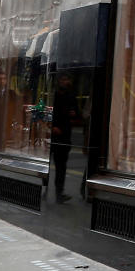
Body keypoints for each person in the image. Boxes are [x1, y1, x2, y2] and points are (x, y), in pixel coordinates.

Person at [49, 73, 81, 203]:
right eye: (62, 79)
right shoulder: (54, 96)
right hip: (54, 134)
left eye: (66, 79)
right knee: (48, 163)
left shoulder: (71, 96)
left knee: (61, 166)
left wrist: (74, 114)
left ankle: (59, 192)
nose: (65, 81)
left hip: (65, 135)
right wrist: (53, 126)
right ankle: (46, 188)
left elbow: (77, 114)